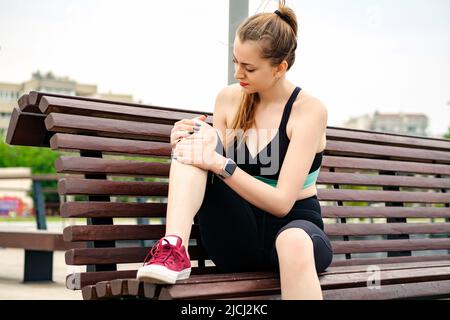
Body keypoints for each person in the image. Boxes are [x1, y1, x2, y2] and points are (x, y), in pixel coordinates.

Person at [136, 0, 333, 300]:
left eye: (249, 67)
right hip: (237, 234)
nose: (238, 73)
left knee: (293, 242)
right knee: (197, 139)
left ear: (280, 67)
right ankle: (172, 249)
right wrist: (188, 137)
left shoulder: (308, 111)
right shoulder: (230, 99)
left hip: (295, 229)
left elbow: (281, 202)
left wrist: (221, 164)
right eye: (235, 62)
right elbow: (208, 159)